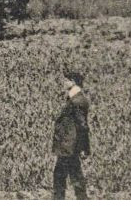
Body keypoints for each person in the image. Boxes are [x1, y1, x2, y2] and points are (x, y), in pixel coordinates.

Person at [51, 69, 91, 199]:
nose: (63, 82)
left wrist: (85, 147)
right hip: (70, 146)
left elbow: (83, 126)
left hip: (69, 147)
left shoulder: (76, 101)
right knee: (74, 174)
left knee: (60, 176)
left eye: (66, 80)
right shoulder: (76, 99)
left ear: (73, 82)